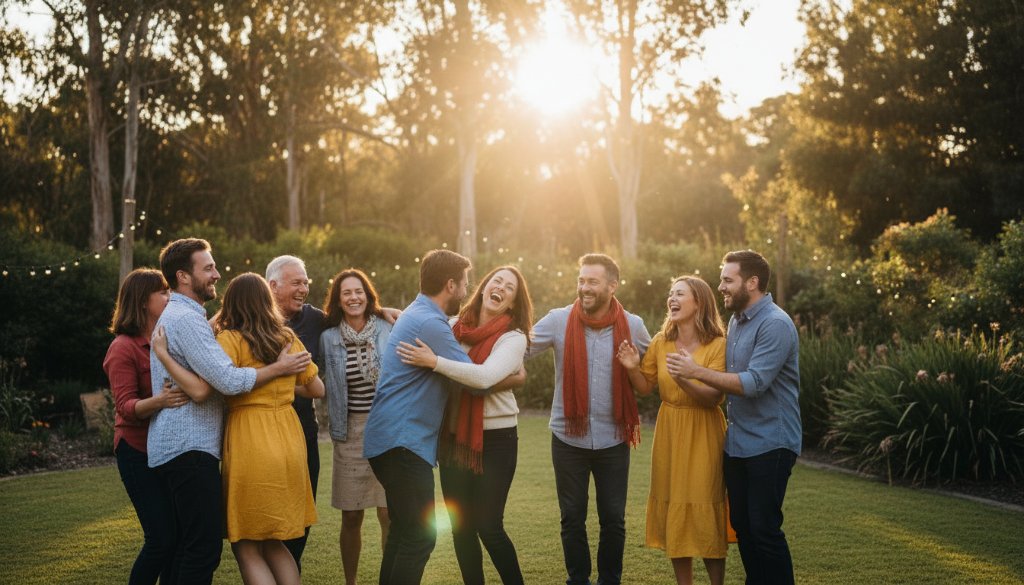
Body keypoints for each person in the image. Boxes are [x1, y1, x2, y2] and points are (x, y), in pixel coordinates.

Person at [146, 238, 311, 585]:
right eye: (208, 268)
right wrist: (278, 370)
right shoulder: (189, 321)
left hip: (195, 446)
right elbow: (225, 381)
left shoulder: (193, 320)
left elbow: (209, 379)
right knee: (202, 550)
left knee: (195, 547)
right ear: (183, 276)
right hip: (189, 445)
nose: (217, 274)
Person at [665, 250, 801, 585]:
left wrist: (696, 371)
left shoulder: (776, 324)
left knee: (764, 528)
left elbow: (754, 383)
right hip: (738, 444)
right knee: (742, 527)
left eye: (728, 280)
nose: (721, 286)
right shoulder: (737, 322)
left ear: (752, 282)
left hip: (772, 442)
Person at [397, 265, 533, 585]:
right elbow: (417, 321)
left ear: (512, 302)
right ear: (484, 287)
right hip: (454, 437)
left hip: (497, 440)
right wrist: (389, 313)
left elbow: (483, 377)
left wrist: (435, 362)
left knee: (488, 525)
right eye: (496, 281)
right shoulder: (453, 326)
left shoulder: (514, 338)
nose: (500, 287)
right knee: (462, 527)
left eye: (509, 287)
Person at [526, 253, 651, 585]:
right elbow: (516, 347)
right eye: (581, 281)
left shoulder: (634, 326)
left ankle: (610, 580)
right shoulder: (557, 320)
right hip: (568, 438)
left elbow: (655, 372)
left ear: (612, 285)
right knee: (571, 518)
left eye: (592, 281)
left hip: (613, 438)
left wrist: (635, 367)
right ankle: (577, 580)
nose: (584, 288)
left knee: (613, 519)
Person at [362, 249, 478, 584]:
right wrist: (513, 374)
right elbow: (474, 379)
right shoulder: (430, 323)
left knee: (403, 533)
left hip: (390, 441)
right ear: (450, 284)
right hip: (402, 443)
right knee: (420, 536)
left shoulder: (419, 314)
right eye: (464, 284)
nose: (467, 291)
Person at [616, 276, 728, 585]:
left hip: (704, 431)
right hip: (669, 430)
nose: (672, 299)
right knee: (674, 504)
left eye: (680, 294)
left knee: (705, 505)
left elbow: (714, 397)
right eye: (671, 294)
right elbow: (645, 387)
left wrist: (684, 379)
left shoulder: (718, 344)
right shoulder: (660, 341)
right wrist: (631, 368)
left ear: (699, 303)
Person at [103, 269, 190, 585]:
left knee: (180, 538)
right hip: (136, 452)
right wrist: (161, 401)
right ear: (143, 300)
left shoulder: (165, 338)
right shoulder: (122, 348)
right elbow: (126, 409)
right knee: (161, 540)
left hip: (167, 449)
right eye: (163, 292)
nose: (170, 297)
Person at [320, 268, 392, 585]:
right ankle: (351, 581)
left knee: (389, 513)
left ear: (368, 295)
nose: (353, 297)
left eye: (359, 291)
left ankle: (388, 579)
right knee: (351, 515)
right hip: (348, 433)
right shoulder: (328, 338)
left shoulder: (388, 328)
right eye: (346, 292)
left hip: (387, 431)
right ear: (338, 299)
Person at [266, 255, 325, 570]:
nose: (304, 288)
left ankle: (291, 568)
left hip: (304, 429)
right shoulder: (253, 318)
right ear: (273, 286)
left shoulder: (314, 319)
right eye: (296, 283)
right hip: (262, 431)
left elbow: (356, 313)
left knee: (304, 510)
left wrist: (384, 310)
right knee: (271, 513)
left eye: (306, 282)